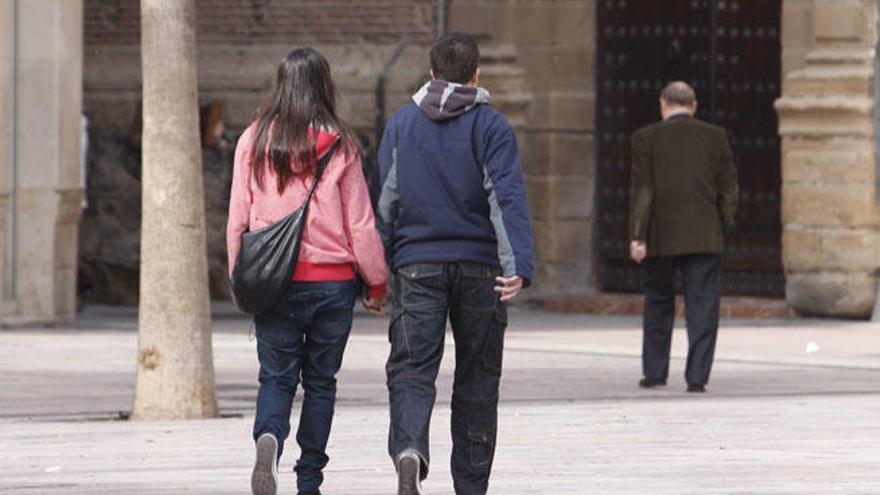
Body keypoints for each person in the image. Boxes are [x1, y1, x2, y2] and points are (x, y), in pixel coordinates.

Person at [375, 32, 535, 495]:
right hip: (480, 268)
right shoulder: (492, 126)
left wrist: (377, 269)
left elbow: (384, 201)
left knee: (410, 368)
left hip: (416, 265)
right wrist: (517, 264)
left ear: (430, 73)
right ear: (476, 74)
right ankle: (470, 484)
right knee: (478, 378)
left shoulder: (402, 124)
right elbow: (504, 198)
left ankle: (409, 450)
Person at [226, 47, 388, 495]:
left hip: (273, 282)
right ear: (324, 86)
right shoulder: (340, 143)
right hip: (332, 284)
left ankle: (269, 439)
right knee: (321, 383)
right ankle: (309, 478)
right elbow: (359, 222)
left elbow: (238, 216)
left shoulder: (254, 141)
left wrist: (241, 275)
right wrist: (377, 281)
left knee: (276, 376)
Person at [629, 81, 739, 394]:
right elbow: (729, 191)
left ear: (663, 103)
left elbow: (643, 192)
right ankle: (697, 376)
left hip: (660, 236)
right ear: (694, 105)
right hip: (705, 236)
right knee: (702, 304)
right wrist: (720, 224)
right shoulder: (716, 137)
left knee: (658, 302)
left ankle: (654, 372)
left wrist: (638, 235)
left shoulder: (645, 138)